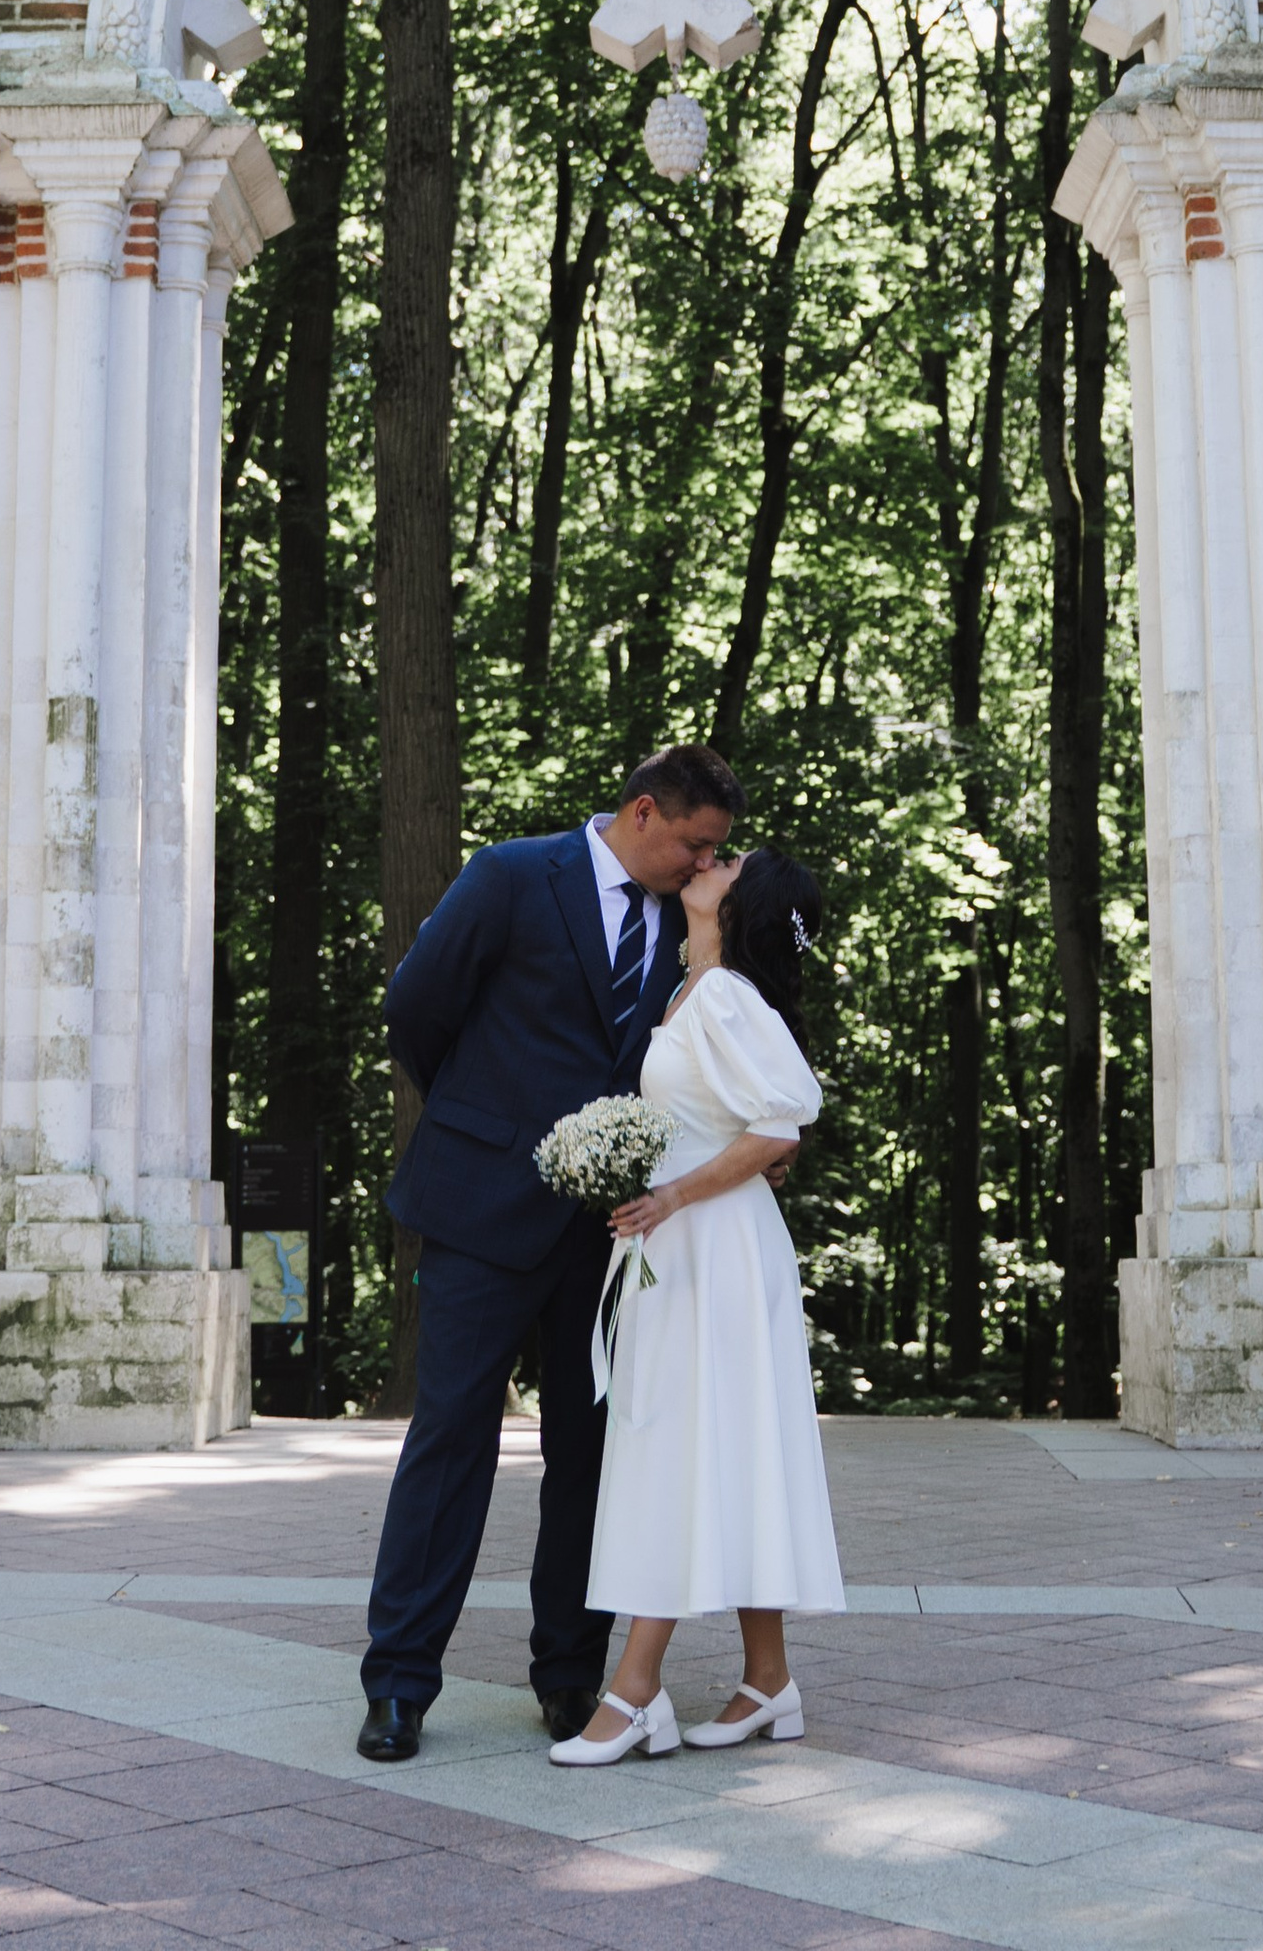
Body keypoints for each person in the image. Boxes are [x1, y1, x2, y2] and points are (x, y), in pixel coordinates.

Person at [355, 744, 751, 1763]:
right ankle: (398, 1682)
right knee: (450, 1443)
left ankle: (569, 1676)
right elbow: (416, 1010)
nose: (706, 863)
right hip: (480, 1210)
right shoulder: (509, 875)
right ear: (644, 811)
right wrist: (490, 1121)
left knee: (589, 1456)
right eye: (697, 844)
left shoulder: (696, 923)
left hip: (610, 1233)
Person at [548, 845, 844, 1764]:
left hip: (711, 1243)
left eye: (728, 862)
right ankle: (769, 1680)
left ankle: (635, 1691)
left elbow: (782, 1122)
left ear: (741, 900)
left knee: (672, 1444)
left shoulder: (721, 995)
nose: (707, 861)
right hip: (692, 1243)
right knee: (724, 1441)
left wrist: (672, 1195)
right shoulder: (697, 989)